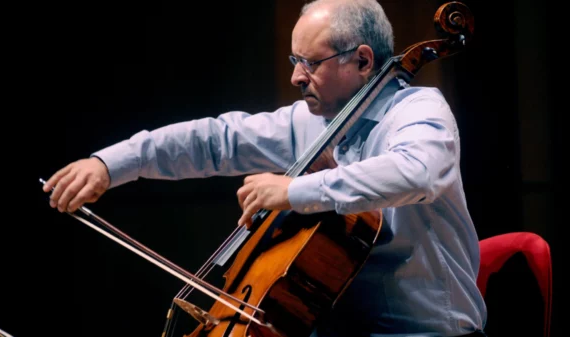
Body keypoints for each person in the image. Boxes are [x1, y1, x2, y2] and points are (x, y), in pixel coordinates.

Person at [43, 0, 487, 336]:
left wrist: (291, 192)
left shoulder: (417, 109)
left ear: (363, 61)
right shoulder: (311, 121)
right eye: (296, 62)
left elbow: (417, 173)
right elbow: (216, 140)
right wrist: (110, 164)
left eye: (311, 64)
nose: (297, 77)